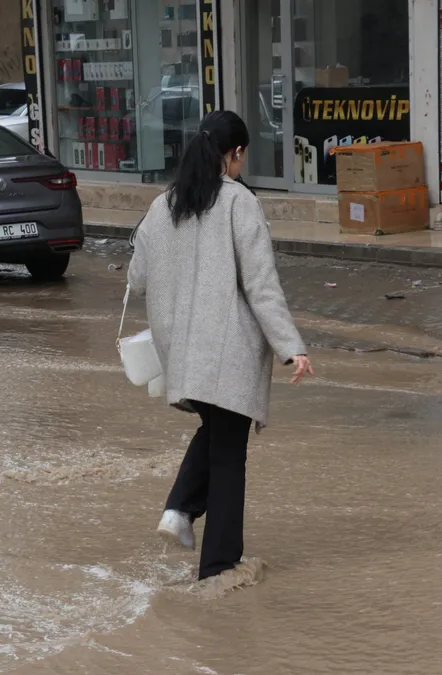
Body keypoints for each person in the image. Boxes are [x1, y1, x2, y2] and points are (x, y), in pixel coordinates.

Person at [127, 110, 313, 580]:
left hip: (182, 350)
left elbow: (137, 279)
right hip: (229, 352)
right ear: (234, 153)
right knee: (229, 454)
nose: (241, 167)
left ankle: (181, 511)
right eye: (242, 157)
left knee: (217, 435)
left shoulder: (161, 205)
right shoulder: (238, 202)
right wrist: (292, 346)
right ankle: (218, 567)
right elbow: (261, 284)